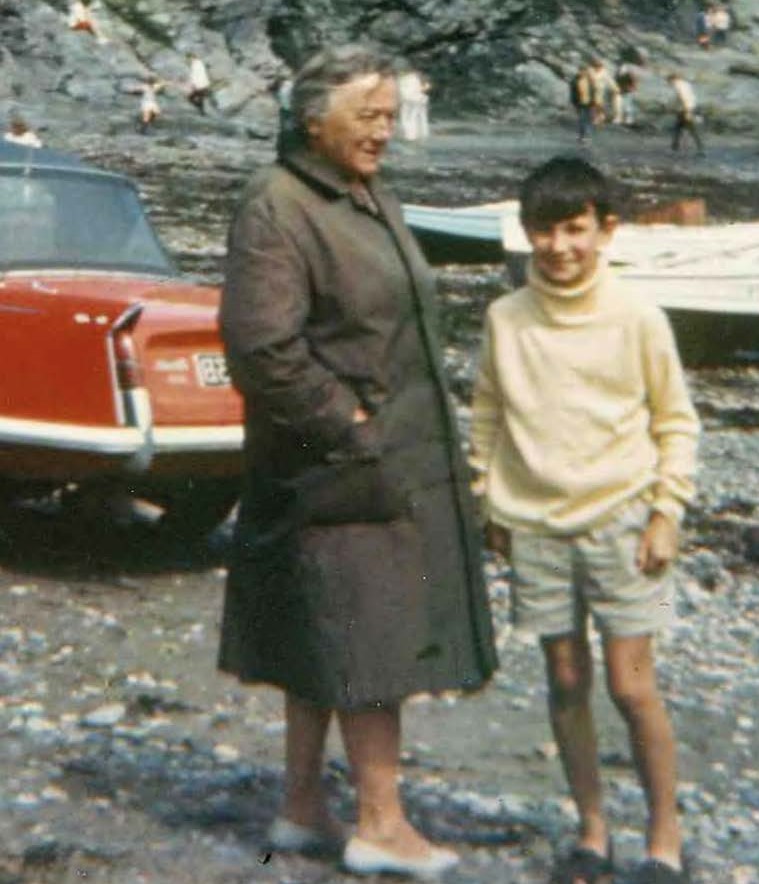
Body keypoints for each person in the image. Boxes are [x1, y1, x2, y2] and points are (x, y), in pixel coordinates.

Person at [218, 43, 497, 880]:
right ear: (313, 119)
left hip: (375, 457)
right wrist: (349, 423)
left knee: (323, 624)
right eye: (367, 116)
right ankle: (380, 823)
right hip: (332, 464)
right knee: (372, 631)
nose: (385, 131)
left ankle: (302, 806)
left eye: (388, 115)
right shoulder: (277, 205)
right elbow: (261, 346)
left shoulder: (364, 192)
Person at [471, 156, 699, 884]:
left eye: (574, 229)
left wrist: (666, 512)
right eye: (543, 230)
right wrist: (489, 499)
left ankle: (664, 833)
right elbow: (487, 415)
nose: (558, 246)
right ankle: (592, 828)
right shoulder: (504, 319)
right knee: (564, 678)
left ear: (605, 230)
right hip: (533, 524)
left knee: (632, 687)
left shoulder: (637, 316)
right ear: (526, 233)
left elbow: (676, 421)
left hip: (624, 520)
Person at [668, 73, 705, 156]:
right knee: (680, 128)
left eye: (669, 82)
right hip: (692, 107)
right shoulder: (685, 84)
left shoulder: (677, 86)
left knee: (689, 129)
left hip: (685, 109)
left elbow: (683, 98)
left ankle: (700, 148)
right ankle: (675, 146)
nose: (669, 85)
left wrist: (687, 112)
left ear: (672, 80)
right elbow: (690, 97)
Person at [397, 69, 430, 141]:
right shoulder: (417, 78)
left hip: (407, 100)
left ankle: (410, 135)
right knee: (417, 117)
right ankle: (421, 133)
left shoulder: (403, 79)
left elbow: (400, 90)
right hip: (417, 99)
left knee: (407, 117)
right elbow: (425, 87)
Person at [588, 58, 621, 126]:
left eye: (599, 66)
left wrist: (615, 88)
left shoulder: (604, 73)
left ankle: (600, 117)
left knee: (598, 104)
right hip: (591, 90)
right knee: (593, 104)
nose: (598, 68)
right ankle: (596, 117)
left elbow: (609, 81)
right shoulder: (590, 71)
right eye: (596, 66)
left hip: (599, 90)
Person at [569, 64, 594, 144]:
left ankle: (586, 136)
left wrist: (594, 102)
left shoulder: (590, 80)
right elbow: (572, 93)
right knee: (582, 119)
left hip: (589, 103)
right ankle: (582, 135)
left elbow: (593, 91)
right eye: (581, 71)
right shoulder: (575, 80)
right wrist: (573, 103)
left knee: (588, 119)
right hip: (580, 103)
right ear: (579, 71)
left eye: (584, 71)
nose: (583, 72)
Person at [615, 61, 638, 126]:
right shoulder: (617, 73)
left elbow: (633, 82)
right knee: (619, 106)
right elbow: (616, 81)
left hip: (628, 91)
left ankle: (630, 120)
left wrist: (632, 88)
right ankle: (619, 118)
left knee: (628, 106)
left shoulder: (629, 74)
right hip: (621, 91)